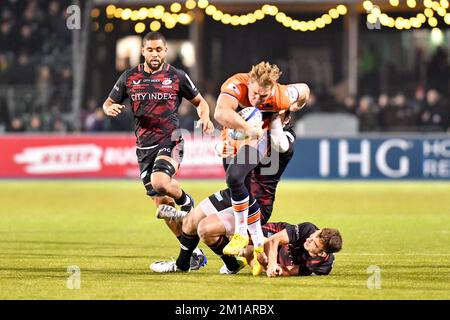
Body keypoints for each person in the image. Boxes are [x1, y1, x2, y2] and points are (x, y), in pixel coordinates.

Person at [102, 31, 214, 269]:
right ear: (143, 51)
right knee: (164, 209)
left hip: (171, 139)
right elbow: (108, 102)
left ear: (165, 51)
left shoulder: (177, 76)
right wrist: (108, 109)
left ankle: (186, 201)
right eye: (150, 49)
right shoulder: (129, 77)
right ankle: (192, 255)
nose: (154, 54)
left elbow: (201, 102)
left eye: (159, 49)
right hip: (144, 148)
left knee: (160, 181)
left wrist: (204, 118)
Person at [150, 111, 297, 275]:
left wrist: (269, 123)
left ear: (286, 119)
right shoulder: (253, 129)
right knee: (190, 222)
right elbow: (226, 151)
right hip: (234, 193)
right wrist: (224, 148)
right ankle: (182, 265)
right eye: (269, 115)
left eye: (277, 116)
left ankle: (238, 257)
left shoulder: (287, 136)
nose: (269, 119)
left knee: (205, 230)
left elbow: (280, 145)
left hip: (256, 204)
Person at [213, 61, 310, 269]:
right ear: (249, 82)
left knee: (234, 178)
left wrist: (295, 106)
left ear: (272, 90)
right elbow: (220, 114)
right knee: (239, 188)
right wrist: (248, 128)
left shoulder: (281, 95)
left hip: (257, 140)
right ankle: (258, 246)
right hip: (235, 137)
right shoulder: (236, 85)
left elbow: (304, 90)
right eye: (255, 93)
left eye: (263, 96)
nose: (257, 100)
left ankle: (240, 234)